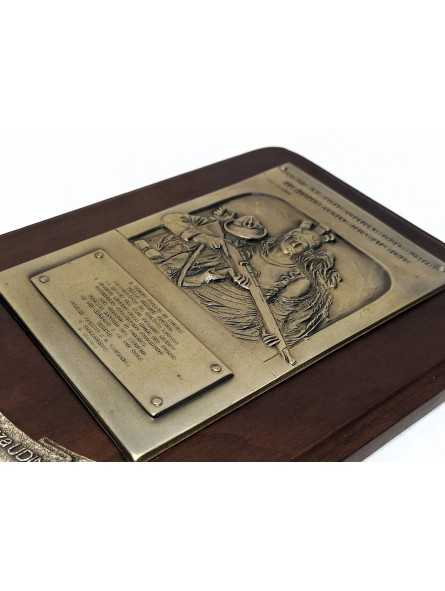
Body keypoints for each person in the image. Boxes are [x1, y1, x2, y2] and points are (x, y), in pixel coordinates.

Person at [136, 205, 341, 348]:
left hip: (237, 315)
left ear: (307, 251)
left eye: (301, 245)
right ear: (287, 235)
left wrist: (269, 334)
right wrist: (226, 272)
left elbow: (277, 313)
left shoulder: (300, 279)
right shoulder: (251, 246)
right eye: (294, 238)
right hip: (207, 290)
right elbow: (225, 260)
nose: (294, 244)